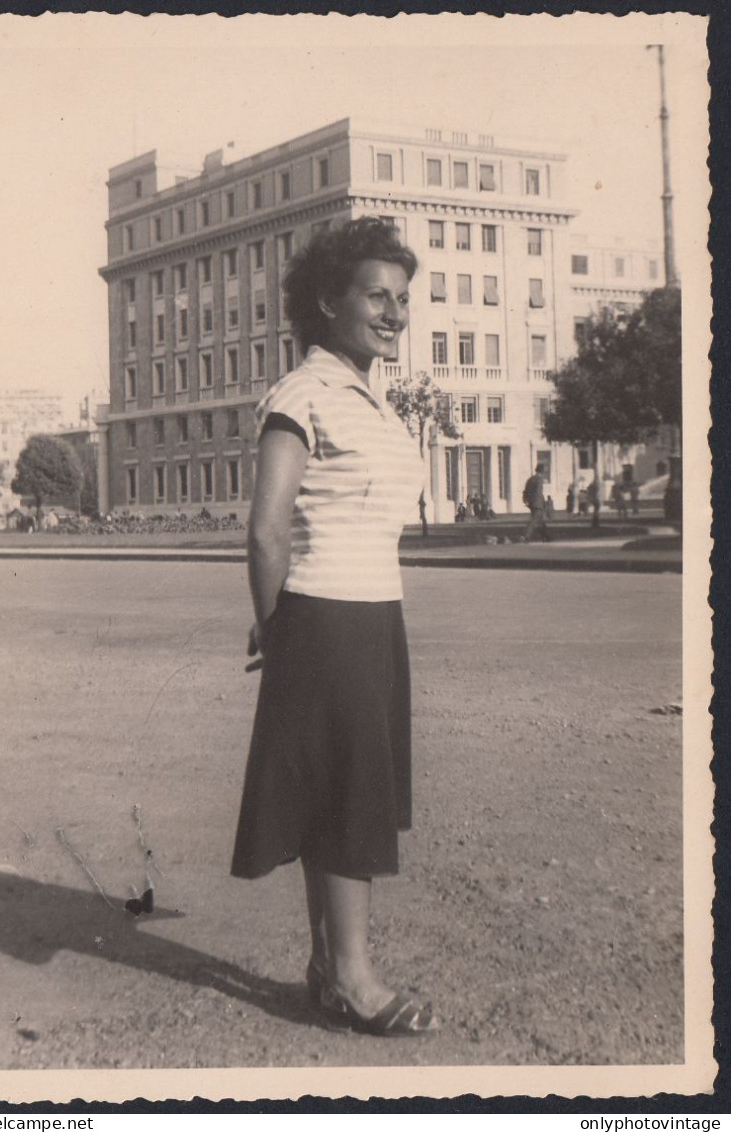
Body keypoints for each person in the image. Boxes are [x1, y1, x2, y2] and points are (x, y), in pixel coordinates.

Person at [231, 217, 439, 1037]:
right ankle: (354, 978)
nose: (393, 313)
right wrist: (276, 626)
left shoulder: (372, 399)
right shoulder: (303, 395)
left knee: (342, 791)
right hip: (327, 618)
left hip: (371, 616)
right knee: (350, 797)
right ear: (326, 302)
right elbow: (266, 528)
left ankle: (327, 967)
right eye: (375, 296)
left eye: (401, 300)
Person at [522, 463, 550, 542]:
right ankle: (526, 536)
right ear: (542, 471)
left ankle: (546, 537)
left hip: (531, 502)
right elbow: (538, 492)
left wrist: (526, 499)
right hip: (537, 503)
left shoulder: (531, 479)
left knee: (541, 521)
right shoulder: (539, 479)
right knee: (534, 520)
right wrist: (543, 503)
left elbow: (526, 490)